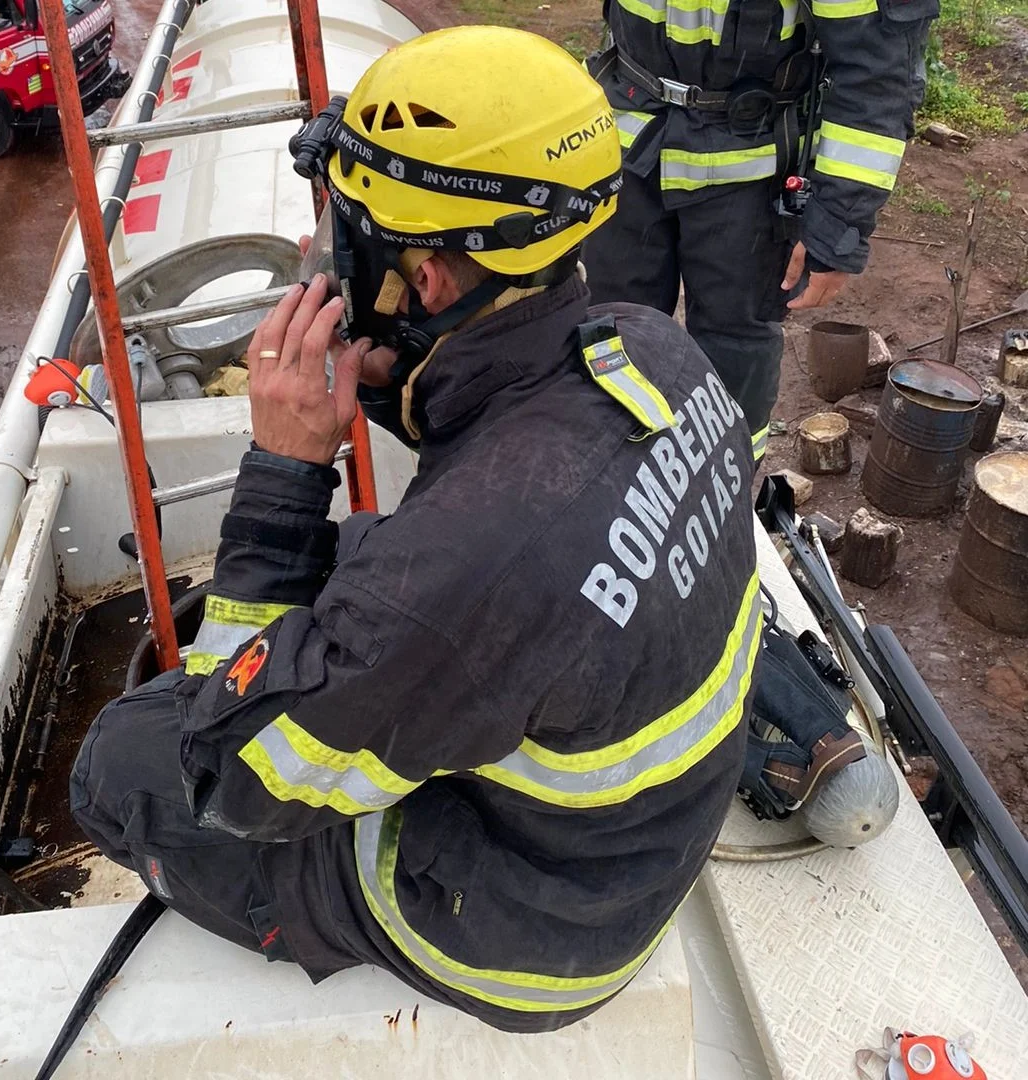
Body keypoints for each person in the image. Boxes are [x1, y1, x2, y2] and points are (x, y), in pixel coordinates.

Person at [71, 25, 763, 1034]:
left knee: (128, 759)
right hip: (626, 843)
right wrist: (405, 380)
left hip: (525, 935)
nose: (333, 259)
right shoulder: (653, 348)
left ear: (429, 276)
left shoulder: (461, 572)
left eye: (352, 235)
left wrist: (284, 474)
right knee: (360, 569)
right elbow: (510, 459)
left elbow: (234, 777)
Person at [581, 0, 934, 462]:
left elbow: (878, 74)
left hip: (751, 169)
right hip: (625, 145)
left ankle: (724, 496)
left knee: (734, 354)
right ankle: (604, 487)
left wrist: (837, 226)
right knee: (608, 332)